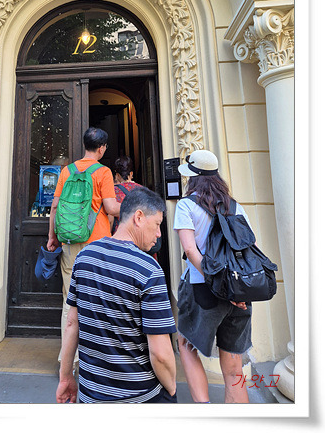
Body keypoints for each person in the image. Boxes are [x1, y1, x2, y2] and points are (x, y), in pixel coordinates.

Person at [56, 187, 177, 404]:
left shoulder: (84, 257)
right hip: (140, 398)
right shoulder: (149, 270)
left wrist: (65, 377)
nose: (159, 234)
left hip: (90, 397)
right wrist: (171, 388)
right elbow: (160, 354)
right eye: (157, 224)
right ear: (138, 217)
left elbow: (72, 324)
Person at [173, 149, 253, 404]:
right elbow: (249, 248)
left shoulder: (186, 205)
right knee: (234, 364)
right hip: (239, 292)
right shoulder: (236, 206)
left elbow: (190, 250)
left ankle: (205, 410)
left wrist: (216, 282)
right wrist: (232, 289)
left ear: (192, 178)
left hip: (202, 289)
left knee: (186, 344)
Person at [47, 127, 121, 364]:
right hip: (96, 244)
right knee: (97, 297)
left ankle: (68, 358)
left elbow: (55, 206)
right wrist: (134, 206)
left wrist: (52, 237)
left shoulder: (67, 171)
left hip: (70, 242)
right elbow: (111, 208)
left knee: (69, 299)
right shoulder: (103, 172)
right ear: (102, 148)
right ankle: (95, 357)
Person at [109, 155, 142, 235]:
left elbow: (110, 219)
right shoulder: (143, 190)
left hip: (120, 234)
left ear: (117, 175)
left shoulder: (112, 191)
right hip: (139, 234)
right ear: (131, 173)